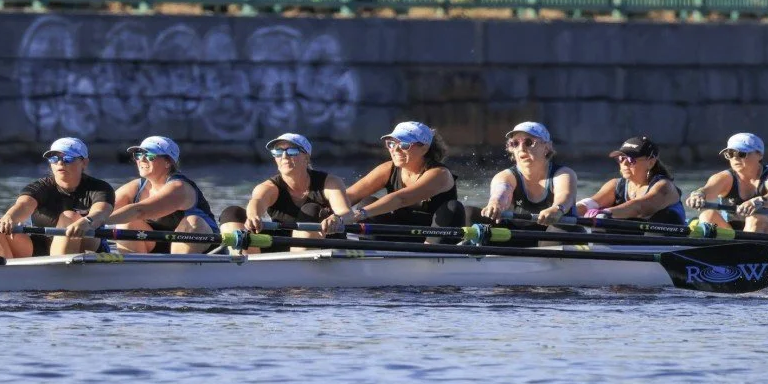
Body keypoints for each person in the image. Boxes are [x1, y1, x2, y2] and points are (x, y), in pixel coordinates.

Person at [322, 121, 465, 241]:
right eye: (391, 144)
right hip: (401, 232)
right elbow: (350, 195)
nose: (395, 150)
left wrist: (357, 215)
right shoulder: (388, 168)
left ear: (425, 148)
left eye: (404, 145)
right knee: (367, 202)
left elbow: (401, 199)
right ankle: (358, 248)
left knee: (453, 207)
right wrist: (327, 212)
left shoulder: (439, 174)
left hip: (433, 235)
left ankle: (430, 254)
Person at [0, 137, 115, 258]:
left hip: (87, 246)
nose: (60, 163)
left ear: (84, 162)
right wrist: (10, 217)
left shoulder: (100, 188)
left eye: (68, 158)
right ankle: (3, 273)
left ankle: (61, 275)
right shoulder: (39, 187)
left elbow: (101, 212)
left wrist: (87, 221)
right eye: (54, 158)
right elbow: (23, 205)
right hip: (40, 248)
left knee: (70, 217)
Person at [219, 133, 353, 253]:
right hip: (283, 244)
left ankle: (298, 264)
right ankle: (248, 264)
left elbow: (346, 212)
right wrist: (253, 216)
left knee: (311, 209)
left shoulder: (330, 182)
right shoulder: (268, 187)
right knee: (231, 213)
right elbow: (257, 201)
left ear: (306, 157)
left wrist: (336, 218)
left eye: (292, 151)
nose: (284, 156)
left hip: (325, 245)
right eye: (278, 151)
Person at [105, 136, 219, 254]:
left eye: (150, 155)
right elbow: (104, 207)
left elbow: (140, 211)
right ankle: (137, 264)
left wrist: (97, 221)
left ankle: (177, 265)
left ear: (168, 162)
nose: (142, 159)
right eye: (138, 154)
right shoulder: (135, 187)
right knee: (126, 224)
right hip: (159, 244)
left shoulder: (179, 187)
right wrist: (93, 216)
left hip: (205, 247)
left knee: (193, 221)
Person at [685, 133, 768, 235]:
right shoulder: (724, 178)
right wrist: (698, 195)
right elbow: (706, 190)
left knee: (755, 219)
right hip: (734, 235)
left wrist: (757, 202)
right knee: (707, 215)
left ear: (760, 155)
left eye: (742, 154)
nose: (735, 158)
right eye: (730, 154)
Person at [477, 121, 578, 226]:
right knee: (469, 212)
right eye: (515, 143)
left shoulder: (563, 174)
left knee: (558, 230)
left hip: (558, 230)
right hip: (519, 232)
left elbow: (565, 195)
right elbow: (501, 194)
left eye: (529, 142)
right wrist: (495, 203)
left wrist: (557, 209)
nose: (521, 148)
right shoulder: (505, 177)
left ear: (547, 147)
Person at [575, 136, 686, 225]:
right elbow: (590, 203)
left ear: (651, 162)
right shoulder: (614, 185)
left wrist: (606, 212)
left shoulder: (664, 186)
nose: (624, 163)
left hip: (667, 241)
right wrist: (568, 210)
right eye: (621, 158)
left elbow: (639, 208)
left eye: (631, 159)